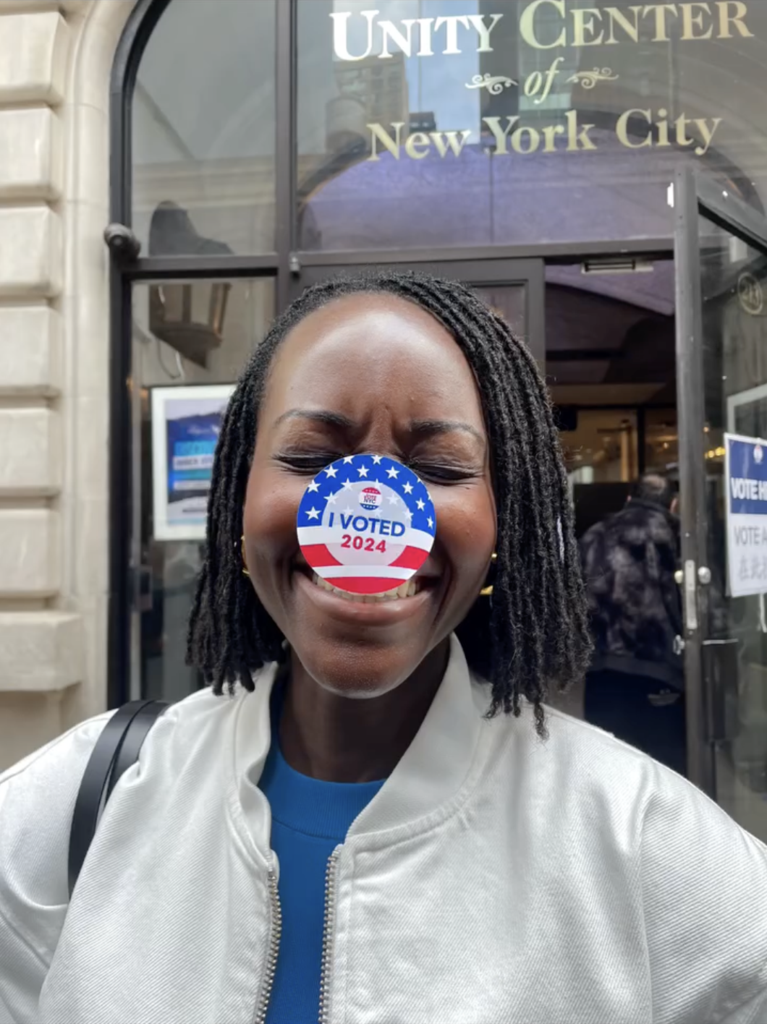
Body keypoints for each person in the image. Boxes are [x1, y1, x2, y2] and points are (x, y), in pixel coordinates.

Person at [1, 272, 766, 1024]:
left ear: (505, 524)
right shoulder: (77, 807)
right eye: (307, 457)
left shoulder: (642, 842)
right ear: (238, 493)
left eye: (438, 468)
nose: (367, 512)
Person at [579, 473, 687, 774]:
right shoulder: (673, 536)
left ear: (628, 499)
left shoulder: (594, 534)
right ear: (673, 504)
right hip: (658, 671)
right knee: (664, 770)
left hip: (602, 671)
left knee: (610, 766)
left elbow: (573, 602)